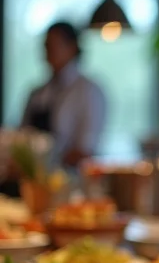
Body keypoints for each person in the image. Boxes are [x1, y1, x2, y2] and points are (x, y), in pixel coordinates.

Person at [21, 21, 106, 167]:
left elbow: (85, 150)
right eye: (46, 46)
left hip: (71, 181)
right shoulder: (37, 93)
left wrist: (49, 159)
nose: (48, 52)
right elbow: (22, 139)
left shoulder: (89, 92)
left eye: (54, 46)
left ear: (72, 47)